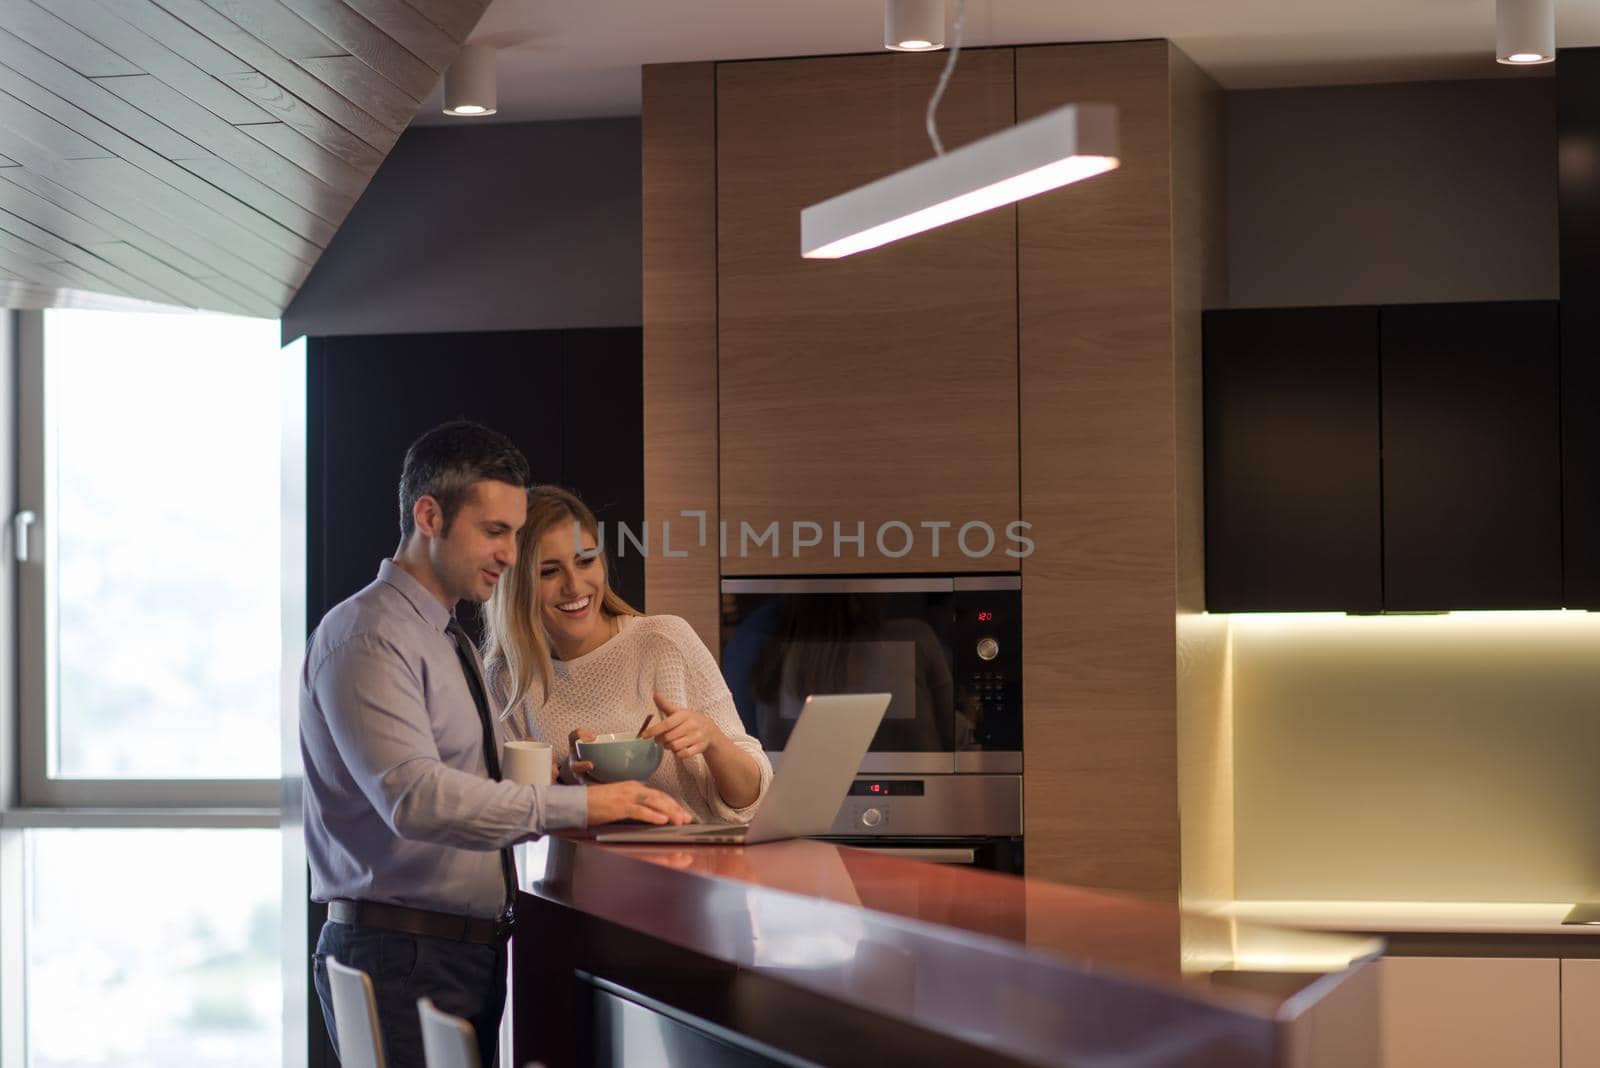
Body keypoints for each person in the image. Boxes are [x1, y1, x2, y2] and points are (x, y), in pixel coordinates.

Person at [300, 422, 690, 1068]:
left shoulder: (444, 638)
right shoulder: (369, 637)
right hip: (402, 958)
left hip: (453, 955)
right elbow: (416, 799)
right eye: (495, 531)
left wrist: (562, 777)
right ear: (429, 515)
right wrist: (588, 808)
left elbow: (467, 777)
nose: (510, 554)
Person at [483, 485, 773, 822]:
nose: (575, 586)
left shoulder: (664, 640)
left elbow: (754, 799)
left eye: (585, 560)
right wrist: (563, 782)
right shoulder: (504, 677)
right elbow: (514, 819)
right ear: (516, 584)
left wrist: (711, 739)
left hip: (694, 864)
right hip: (579, 870)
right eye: (549, 571)